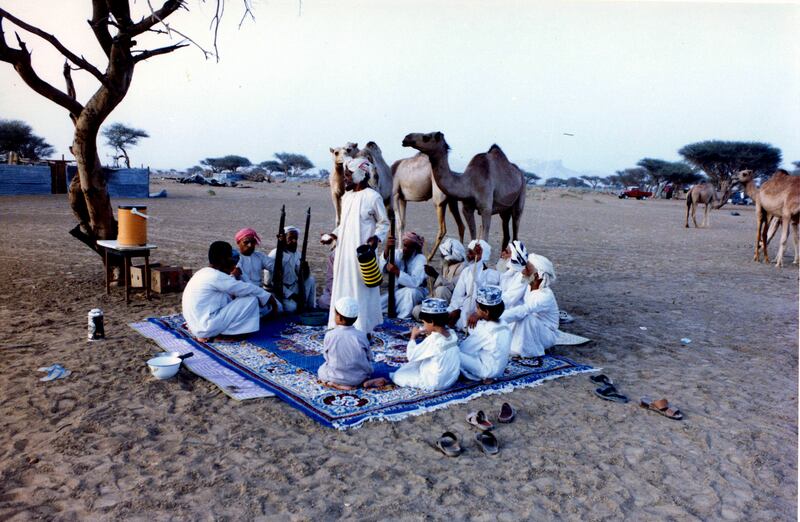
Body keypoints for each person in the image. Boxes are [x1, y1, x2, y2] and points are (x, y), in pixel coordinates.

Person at [325, 157, 390, 333]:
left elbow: (384, 223)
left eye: (348, 174)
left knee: (360, 287)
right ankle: (338, 323)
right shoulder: (346, 197)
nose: (345, 178)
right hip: (344, 252)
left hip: (362, 254)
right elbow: (344, 225)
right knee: (343, 284)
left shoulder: (373, 197)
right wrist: (333, 234)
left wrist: (376, 238)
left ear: (361, 174)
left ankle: (362, 327)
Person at [182, 241, 276, 342]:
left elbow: (236, 287)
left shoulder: (203, 272)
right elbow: (247, 289)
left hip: (197, 324)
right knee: (251, 300)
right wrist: (269, 298)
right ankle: (228, 334)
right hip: (206, 326)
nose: (232, 262)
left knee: (236, 297)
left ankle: (217, 331)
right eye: (230, 258)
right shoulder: (216, 276)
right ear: (223, 260)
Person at [501, 252, 560, 365]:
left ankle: (528, 352)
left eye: (527, 268)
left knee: (525, 317)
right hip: (534, 327)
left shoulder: (544, 296)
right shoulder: (528, 285)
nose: (523, 271)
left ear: (537, 275)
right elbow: (511, 296)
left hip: (546, 334)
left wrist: (496, 318)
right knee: (516, 311)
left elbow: (524, 310)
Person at [391, 298, 461, 391]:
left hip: (436, 383)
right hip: (452, 380)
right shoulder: (452, 333)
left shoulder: (433, 340)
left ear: (431, 321)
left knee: (398, 375)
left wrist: (413, 337)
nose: (423, 326)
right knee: (422, 361)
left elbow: (411, 356)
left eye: (424, 322)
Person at [318, 297, 374, 390]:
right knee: (369, 367)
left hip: (334, 376)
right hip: (358, 378)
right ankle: (364, 382)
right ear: (355, 318)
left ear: (339, 317)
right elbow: (369, 357)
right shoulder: (361, 335)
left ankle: (335, 384)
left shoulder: (330, 335)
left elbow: (327, 357)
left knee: (321, 370)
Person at [459, 285, 512, 382]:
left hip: (488, 371)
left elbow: (465, 349)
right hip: (499, 369)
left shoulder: (485, 329)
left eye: (478, 308)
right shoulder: (504, 324)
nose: (476, 311)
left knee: (454, 352)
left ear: (486, 312)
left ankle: (479, 376)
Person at [447, 239, 499, 331]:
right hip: (463, 311)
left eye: (471, 253)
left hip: (480, 314)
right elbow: (457, 296)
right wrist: (454, 310)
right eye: (468, 252)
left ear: (481, 255)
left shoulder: (493, 275)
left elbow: (481, 293)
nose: (468, 255)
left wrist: (462, 311)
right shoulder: (466, 271)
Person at [267, 225, 317, 312]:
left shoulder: (297, 254)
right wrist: (292, 295)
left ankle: (311, 307)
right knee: (292, 308)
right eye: (290, 238)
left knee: (311, 280)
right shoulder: (275, 255)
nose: (294, 241)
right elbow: (270, 282)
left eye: (296, 238)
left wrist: (306, 270)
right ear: (283, 239)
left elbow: (302, 276)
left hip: (294, 286)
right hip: (280, 291)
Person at [381, 231, 427, 318]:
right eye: (405, 246)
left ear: (415, 248)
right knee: (379, 304)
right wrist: (387, 248)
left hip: (417, 292)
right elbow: (382, 267)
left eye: (410, 247)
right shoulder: (398, 254)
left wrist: (397, 271)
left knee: (411, 292)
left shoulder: (420, 259)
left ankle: (403, 318)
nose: (406, 249)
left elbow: (415, 283)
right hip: (398, 292)